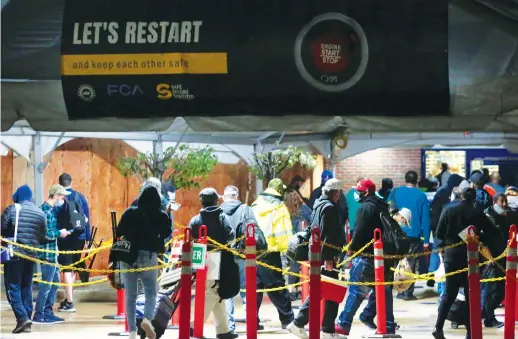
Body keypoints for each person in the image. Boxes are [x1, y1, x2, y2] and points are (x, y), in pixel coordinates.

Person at [433, 187, 499, 339]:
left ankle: (438, 327)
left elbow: (439, 233)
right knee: (471, 294)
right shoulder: (477, 213)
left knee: (449, 294)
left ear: (461, 196)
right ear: (474, 198)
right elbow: (490, 232)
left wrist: (442, 250)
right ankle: (470, 330)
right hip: (471, 258)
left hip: (451, 255)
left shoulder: (449, 210)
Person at [336, 179, 397, 335]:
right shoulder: (383, 205)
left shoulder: (365, 208)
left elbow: (359, 232)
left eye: (360, 191)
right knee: (383, 290)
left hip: (367, 255)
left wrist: (351, 250)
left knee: (357, 290)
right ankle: (388, 325)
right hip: (384, 255)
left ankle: (344, 323)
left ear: (367, 192)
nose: (358, 194)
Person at [287, 178, 346, 339]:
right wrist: (329, 258)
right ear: (336, 193)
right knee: (328, 291)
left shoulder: (319, 204)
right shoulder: (329, 208)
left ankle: (317, 327)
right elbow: (327, 234)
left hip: (320, 254)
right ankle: (308, 325)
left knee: (323, 291)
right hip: (327, 256)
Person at [116, 186, 170, 339]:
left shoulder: (129, 212)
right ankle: (147, 319)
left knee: (131, 295)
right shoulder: (161, 215)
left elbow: (119, 231)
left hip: (128, 256)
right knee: (151, 291)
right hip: (148, 255)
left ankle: (132, 331)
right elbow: (166, 232)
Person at [188, 188, 237, 339]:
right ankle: (193, 325)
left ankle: (223, 330)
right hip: (218, 258)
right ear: (216, 200)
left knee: (216, 293)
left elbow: (189, 239)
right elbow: (230, 236)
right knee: (212, 292)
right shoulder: (222, 216)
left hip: (200, 256)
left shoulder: (195, 219)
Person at [2, 185, 46, 334]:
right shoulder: (40, 213)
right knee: (27, 287)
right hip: (31, 255)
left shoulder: (12, 209)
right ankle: (27, 319)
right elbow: (42, 236)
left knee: (12, 287)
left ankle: (22, 318)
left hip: (15, 254)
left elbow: (2, 229)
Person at [251, 178, 295, 329]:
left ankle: (252, 321)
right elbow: (282, 233)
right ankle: (288, 320)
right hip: (271, 253)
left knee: (254, 289)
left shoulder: (255, 204)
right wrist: (288, 252)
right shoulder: (279, 207)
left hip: (254, 252)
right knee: (276, 287)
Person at [388, 170, 431, 300]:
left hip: (397, 233)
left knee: (397, 261)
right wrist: (426, 239)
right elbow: (425, 219)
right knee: (411, 263)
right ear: (416, 181)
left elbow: (388, 210)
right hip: (414, 235)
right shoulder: (421, 196)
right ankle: (407, 292)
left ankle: (399, 290)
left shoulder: (395, 192)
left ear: (405, 179)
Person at [33, 185, 72, 325]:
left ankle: (48, 312)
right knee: (47, 285)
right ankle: (39, 314)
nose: (63, 199)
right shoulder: (46, 212)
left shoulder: (48, 210)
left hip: (51, 253)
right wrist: (59, 233)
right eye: (62, 196)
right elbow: (45, 234)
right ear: (55, 195)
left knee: (54, 282)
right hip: (47, 254)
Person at [220, 185, 255, 332]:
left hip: (224, 256)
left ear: (224, 196)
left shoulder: (219, 211)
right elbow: (253, 229)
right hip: (243, 253)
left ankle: (229, 326)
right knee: (247, 289)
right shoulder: (245, 209)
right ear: (237, 196)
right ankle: (251, 324)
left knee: (227, 291)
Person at [56, 173, 90, 313]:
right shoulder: (80, 197)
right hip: (80, 237)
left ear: (59, 184)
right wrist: (87, 238)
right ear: (71, 182)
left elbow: (55, 217)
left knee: (67, 270)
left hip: (65, 238)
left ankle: (70, 303)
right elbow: (87, 217)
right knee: (73, 268)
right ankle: (68, 298)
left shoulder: (60, 198)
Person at [481, 194, 516, 328]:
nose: (504, 204)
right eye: (502, 201)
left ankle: (486, 313)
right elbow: (481, 239)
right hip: (491, 259)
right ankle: (488, 317)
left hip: (503, 258)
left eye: (505, 201)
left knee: (500, 290)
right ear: (495, 202)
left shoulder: (509, 216)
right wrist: (488, 257)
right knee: (492, 289)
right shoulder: (487, 217)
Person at [427, 175, 465, 287]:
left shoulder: (440, 192)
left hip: (437, 226)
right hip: (448, 227)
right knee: (445, 253)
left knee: (436, 249)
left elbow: (433, 209)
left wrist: (433, 226)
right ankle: (443, 277)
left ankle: (432, 273)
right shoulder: (457, 194)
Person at [284, 188, 312, 301]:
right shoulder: (304, 209)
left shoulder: (286, 211)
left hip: (290, 242)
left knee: (293, 267)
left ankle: (292, 291)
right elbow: (313, 219)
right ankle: (303, 290)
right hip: (303, 240)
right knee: (304, 266)